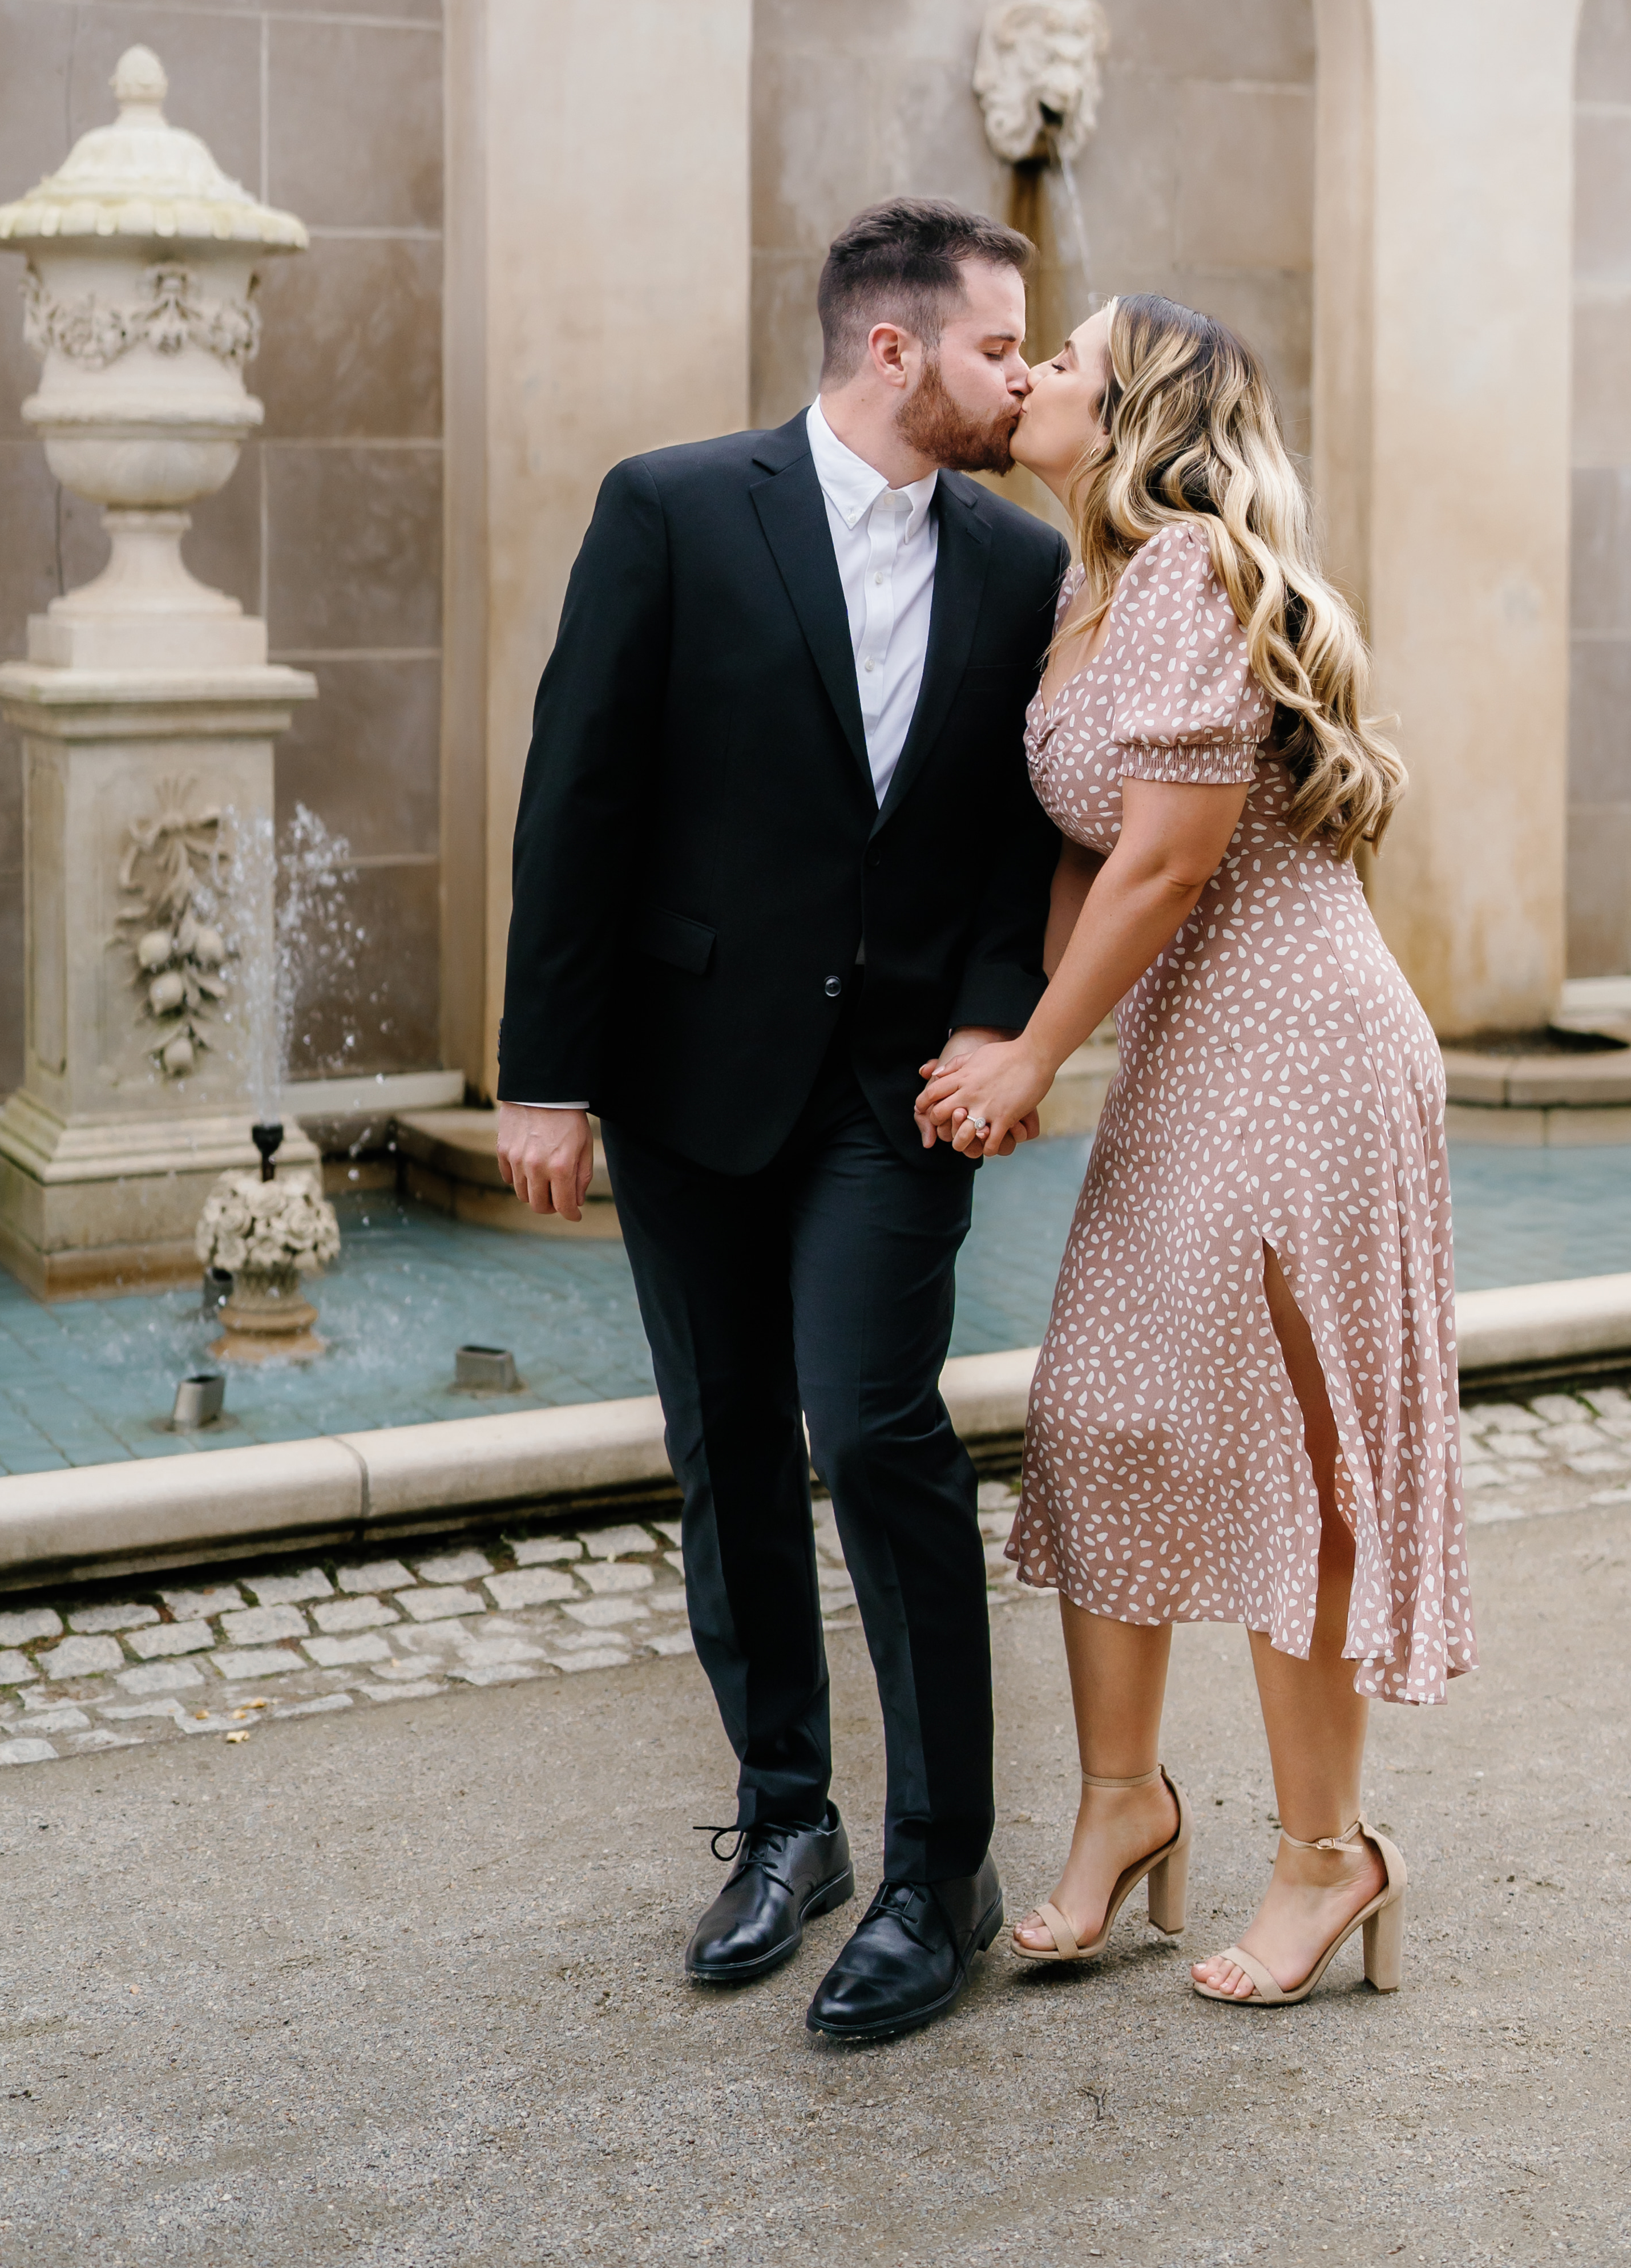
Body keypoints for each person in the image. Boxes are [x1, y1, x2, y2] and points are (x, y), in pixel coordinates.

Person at [492, 200, 1068, 2047]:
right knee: (728, 1438)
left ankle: (939, 1868)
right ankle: (786, 1823)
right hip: (685, 1075)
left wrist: (994, 1023)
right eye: (1001, 348)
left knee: (879, 1426)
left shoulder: (1021, 563)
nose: (1025, 378)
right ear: (892, 352)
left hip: (897, 1093)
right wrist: (542, 1071)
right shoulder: (671, 507)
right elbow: (578, 784)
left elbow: (1010, 838)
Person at [915, 294, 1472, 2010]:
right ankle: (1126, 1808)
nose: (1032, 376)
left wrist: (1033, 1059)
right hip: (1184, 1051)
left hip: (1304, 1047)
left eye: (1062, 360)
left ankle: (1328, 1859)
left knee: (1296, 1460)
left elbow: (1169, 864)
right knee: (1102, 1415)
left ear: (1137, 406)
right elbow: (1092, 861)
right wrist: (1023, 1041)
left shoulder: (1194, 577)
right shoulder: (1085, 589)